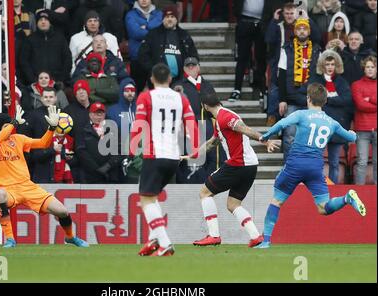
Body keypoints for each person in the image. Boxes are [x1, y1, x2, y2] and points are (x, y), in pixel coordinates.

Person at [255, 83, 366, 249]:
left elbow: (282, 124)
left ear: (308, 99)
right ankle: (346, 198)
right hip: (315, 168)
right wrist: (353, 134)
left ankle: (266, 241)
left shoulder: (301, 114)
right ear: (325, 101)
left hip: (295, 165)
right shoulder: (331, 122)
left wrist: (265, 136)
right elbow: (350, 137)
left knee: (277, 200)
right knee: (324, 208)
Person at [181, 93, 280, 247]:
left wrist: (265, 141)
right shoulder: (222, 118)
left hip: (238, 164)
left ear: (205, 106)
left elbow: (244, 129)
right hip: (250, 166)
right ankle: (255, 237)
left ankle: (213, 235)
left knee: (205, 193)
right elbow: (211, 143)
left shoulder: (224, 117)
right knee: (233, 204)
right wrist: (191, 156)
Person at [0, 105, 89, 248]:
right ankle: (10, 239)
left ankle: (70, 237)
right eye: (6, 126)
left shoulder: (18, 139)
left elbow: (43, 143)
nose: (10, 129)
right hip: (7, 189)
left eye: (10, 126)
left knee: (62, 211)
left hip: (28, 186)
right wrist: (13, 123)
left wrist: (51, 128)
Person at [130, 63, 199, 256]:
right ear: (170, 79)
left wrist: (132, 148)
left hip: (155, 154)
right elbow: (191, 123)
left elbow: (139, 123)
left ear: (152, 79)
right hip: (173, 157)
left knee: (145, 199)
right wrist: (193, 149)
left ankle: (165, 242)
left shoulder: (146, 96)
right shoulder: (180, 98)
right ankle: (154, 239)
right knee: (152, 197)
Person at [277, 18, 321, 161]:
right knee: (290, 136)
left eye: (305, 28)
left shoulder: (317, 50)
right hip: (291, 100)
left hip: (311, 100)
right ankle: (289, 168)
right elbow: (281, 76)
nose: (302, 31)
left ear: (309, 31)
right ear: (295, 31)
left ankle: (307, 168)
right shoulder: (286, 49)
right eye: (299, 28)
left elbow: (320, 77)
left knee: (311, 136)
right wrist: (282, 99)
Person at [309, 49, 353, 183]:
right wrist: (333, 100)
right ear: (323, 65)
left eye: (332, 64)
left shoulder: (342, 82)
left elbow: (346, 100)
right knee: (317, 161)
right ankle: (318, 185)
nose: (330, 67)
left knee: (334, 162)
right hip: (319, 126)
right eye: (327, 64)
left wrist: (326, 99)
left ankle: (333, 187)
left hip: (336, 127)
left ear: (336, 66)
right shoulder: (316, 80)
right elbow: (311, 98)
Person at [137, 6, 199, 87]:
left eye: (172, 17)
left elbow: (194, 55)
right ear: (163, 19)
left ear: (176, 19)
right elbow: (142, 55)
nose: (169, 19)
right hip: (158, 80)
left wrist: (189, 70)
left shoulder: (184, 35)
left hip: (181, 81)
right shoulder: (153, 34)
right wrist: (153, 70)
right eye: (167, 17)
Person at [76, 102, 121, 183]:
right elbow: (81, 151)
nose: (99, 116)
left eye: (101, 113)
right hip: (89, 176)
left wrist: (107, 166)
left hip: (111, 175)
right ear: (90, 115)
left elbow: (119, 150)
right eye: (96, 113)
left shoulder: (113, 129)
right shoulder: (82, 130)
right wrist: (96, 169)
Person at [125, 0, 163, 91]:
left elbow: (160, 29)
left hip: (155, 57)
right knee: (136, 91)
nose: (144, 0)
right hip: (137, 58)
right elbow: (135, 33)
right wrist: (152, 31)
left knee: (156, 90)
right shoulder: (130, 14)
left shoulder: (159, 14)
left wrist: (144, 26)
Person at [351, 55, 377, 184]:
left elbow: (365, 103)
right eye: (368, 67)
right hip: (362, 128)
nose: (370, 69)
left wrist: (370, 99)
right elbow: (360, 105)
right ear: (364, 69)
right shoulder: (356, 85)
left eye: (373, 67)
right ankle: (359, 192)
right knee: (362, 161)